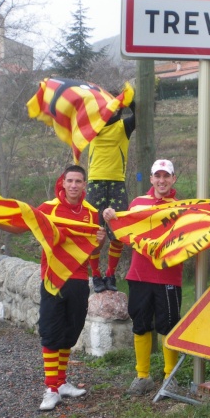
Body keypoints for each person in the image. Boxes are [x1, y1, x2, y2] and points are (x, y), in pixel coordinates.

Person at [0, 165, 105, 411]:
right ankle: (51, 389)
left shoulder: (91, 213)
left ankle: (62, 382)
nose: (74, 185)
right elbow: (21, 225)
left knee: (71, 331)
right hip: (52, 279)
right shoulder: (48, 209)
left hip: (78, 279)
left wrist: (101, 242)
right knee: (50, 331)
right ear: (63, 183)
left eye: (79, 181)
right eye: (70, 181)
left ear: (85, 184)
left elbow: (93, 250)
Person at [102, 158, 182, 396]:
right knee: (140, 325)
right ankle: (142, 376)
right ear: (151, 179)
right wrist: (110, 217)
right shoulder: (138, 204)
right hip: (139, 275)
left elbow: (202, 224)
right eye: (157, 176)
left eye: (166, 176)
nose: (162, 180)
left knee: (168, 326)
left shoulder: (182, 207)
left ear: (173, 179)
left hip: (169, 275)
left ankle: (170, 377)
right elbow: (122, 226)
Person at [86, 103, 136, 293]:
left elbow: (141, 115)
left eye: (115, 108)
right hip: (95, 183)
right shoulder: (93, 127)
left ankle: (110, 274)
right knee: (94, 232)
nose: (110, 112)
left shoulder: (123, 126)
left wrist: (129, 100)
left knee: (118, 232)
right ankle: (96, 275)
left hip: (117, 184)